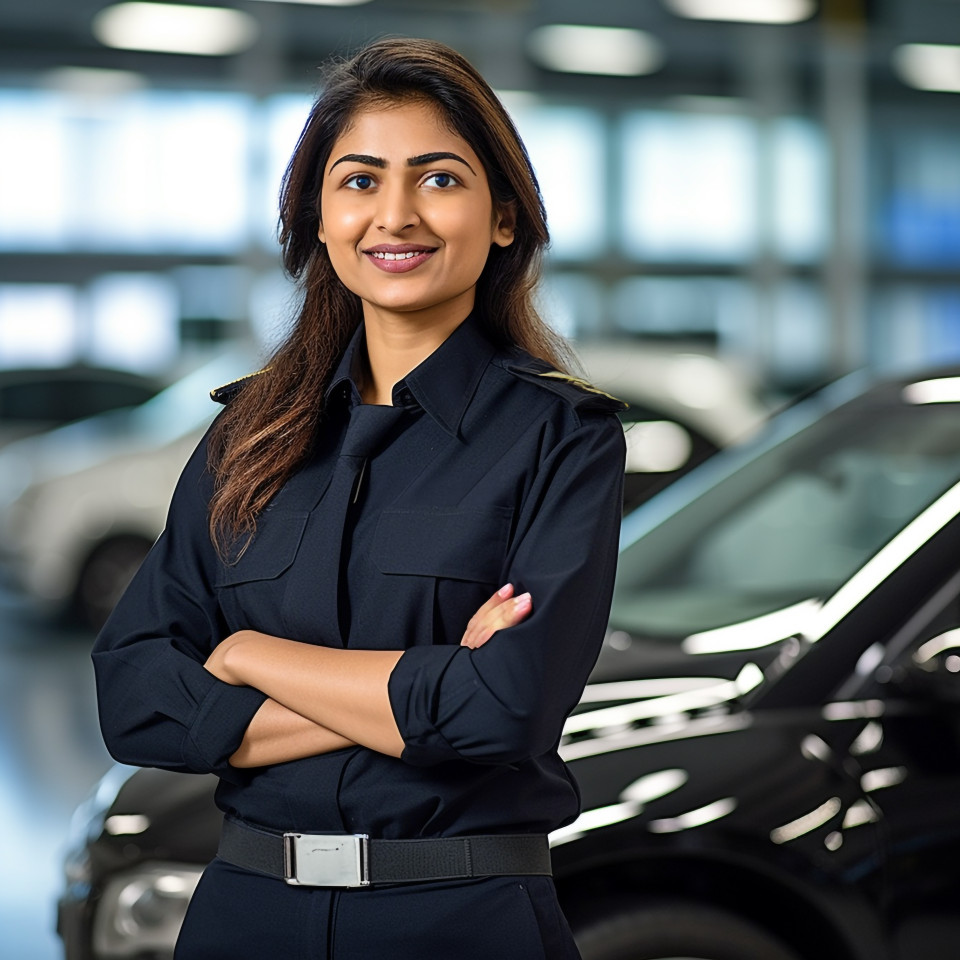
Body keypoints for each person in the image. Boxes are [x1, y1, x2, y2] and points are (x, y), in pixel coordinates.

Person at [92, 37, 626, 960]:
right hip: (244, 916)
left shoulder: (561, 436)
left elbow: (505, 709)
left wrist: (247, 653)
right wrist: (423, 682)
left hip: (461, 918)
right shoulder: (246, 435)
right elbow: (134, 697)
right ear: (319, 216)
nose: (397, 216)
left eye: (440, 180)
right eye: (360, 181)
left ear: (504, 218)